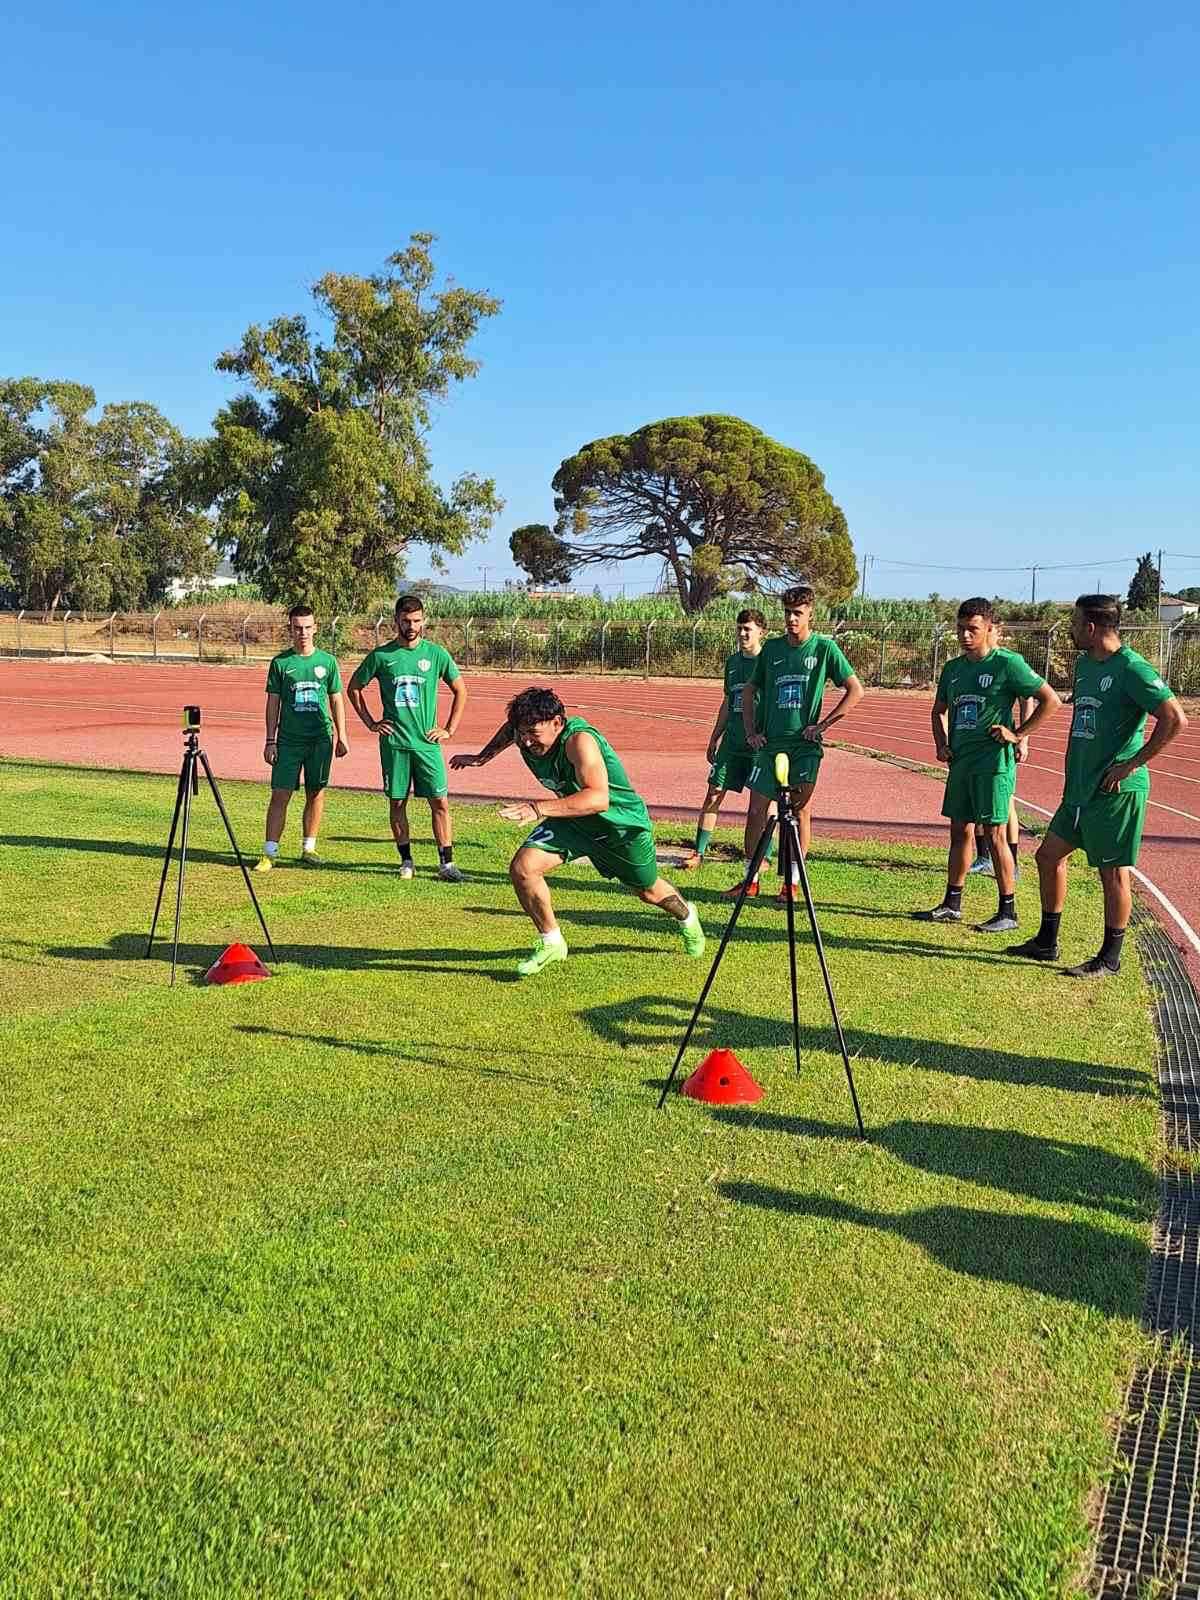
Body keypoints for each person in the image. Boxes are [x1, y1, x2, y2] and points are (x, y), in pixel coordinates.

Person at [451, 687, 705, 977]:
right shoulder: (523, 733)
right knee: (524, 868)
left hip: (620, 828)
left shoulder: (579, 741)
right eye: (522, 732)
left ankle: (688, 917)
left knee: (648, 891)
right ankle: (552, 942)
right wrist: (482, 757)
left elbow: (597, 799)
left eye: (533, 732)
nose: (526, 740)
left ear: (557, 723)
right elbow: (510, 730)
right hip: (572, 821)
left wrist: (537, 809)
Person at [1009, 594, 1187, 977]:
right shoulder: (1085, 665)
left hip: (1114, 791)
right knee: (1048, 857)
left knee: (1113, 873)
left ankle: (1109, 957)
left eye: (1074, 623)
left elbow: (1175, 718)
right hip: (1079, 790)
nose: (1071, 629)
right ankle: (1046, 941)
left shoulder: (1132, 668)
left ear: (1091, 627)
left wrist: (1131, 764)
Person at [914, 599, 1061, 932]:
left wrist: (1018, 734)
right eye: (960, 629)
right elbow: (938, 710)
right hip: (961, 764)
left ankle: (1007, 911)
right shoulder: (953, 669)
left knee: (995, 835)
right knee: (959, 832)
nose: (965, 635)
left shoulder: (1007, 664)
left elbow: (1050, 700)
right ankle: (952, 903)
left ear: (990, 629)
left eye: (973, 629)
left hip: (993, 764)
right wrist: (942, 744)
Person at [739, 583, 864, 903]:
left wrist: (823, 725)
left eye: (797, 613)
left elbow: (855, 689)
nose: (791, 619)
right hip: (770, 746)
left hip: (804, 748)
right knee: (756, 812)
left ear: (810, 614)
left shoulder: (824, 649)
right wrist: (752, 731)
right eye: (787, 613)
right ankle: (750, 878)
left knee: (799, 813)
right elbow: (750, 690)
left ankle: (791, 883)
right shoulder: (772, 650)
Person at [347, 595, 468, 882]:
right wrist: (371, 722)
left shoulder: (436, 654)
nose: (411, 626)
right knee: (397, 803)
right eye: (406, 620)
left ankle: (447, 864)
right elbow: (354, 687)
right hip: (395, 745)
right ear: (396, 621)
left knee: (440, 802)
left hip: (426, 745)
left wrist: (448, 729)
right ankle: (406, 861)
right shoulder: (381, 656)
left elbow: (460, 690)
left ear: (423, 620)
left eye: (416, 621)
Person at [679, 608, 777, 891]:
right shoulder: (733, 662)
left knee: (762, 803)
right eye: (739, 629)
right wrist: (715, 736)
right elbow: (727, 701)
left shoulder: (768, 662)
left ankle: (765, 856)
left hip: (758, 742)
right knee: (713, 792)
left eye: (748, 629)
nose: (743, 634)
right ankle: (699, 852)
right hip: (733, 741)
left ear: (762, 632)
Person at [255, 604, 349, 870]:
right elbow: (273, 704)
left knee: (316, 791)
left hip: (320, 738)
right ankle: (269, 852)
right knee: (280, 794)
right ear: (290, 629)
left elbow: (336, 699)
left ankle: (309, 848)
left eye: (307, 627)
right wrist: (269, 740)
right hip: (288, 741)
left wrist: (342, 735)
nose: (303, 632)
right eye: (298, 628)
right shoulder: (281, 663)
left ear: (315, 628)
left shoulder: (328, 662)